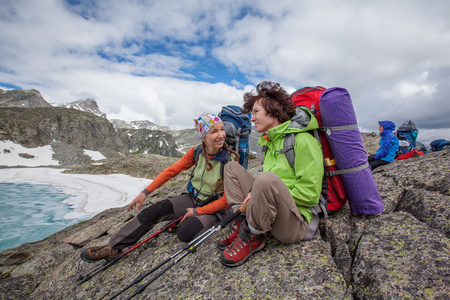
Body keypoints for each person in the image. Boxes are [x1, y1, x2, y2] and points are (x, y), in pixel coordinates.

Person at [80, 113, 238, 262]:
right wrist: (146, 192)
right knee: (154, 210)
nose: (221, 135)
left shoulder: (230, 161)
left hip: (215, 208)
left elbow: (226, 200)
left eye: (222, 129)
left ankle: (188, 222)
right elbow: (171, 171)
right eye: (214, 131)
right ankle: (113, 247)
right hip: (192, 198)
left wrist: (197, 212)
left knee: (185, 232)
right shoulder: (197, 152)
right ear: (203, 136)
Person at [216, 81, 324, 267]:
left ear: (273, 110)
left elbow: (310, 194)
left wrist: (263, 193)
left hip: (294, 224)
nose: (252, 118)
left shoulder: (303, 140)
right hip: (274, 210)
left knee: (266, 180)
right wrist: (258, 195)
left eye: (256, 112)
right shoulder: (271, 143)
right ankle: (242, 223)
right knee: (232, 169)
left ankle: (254, 236)